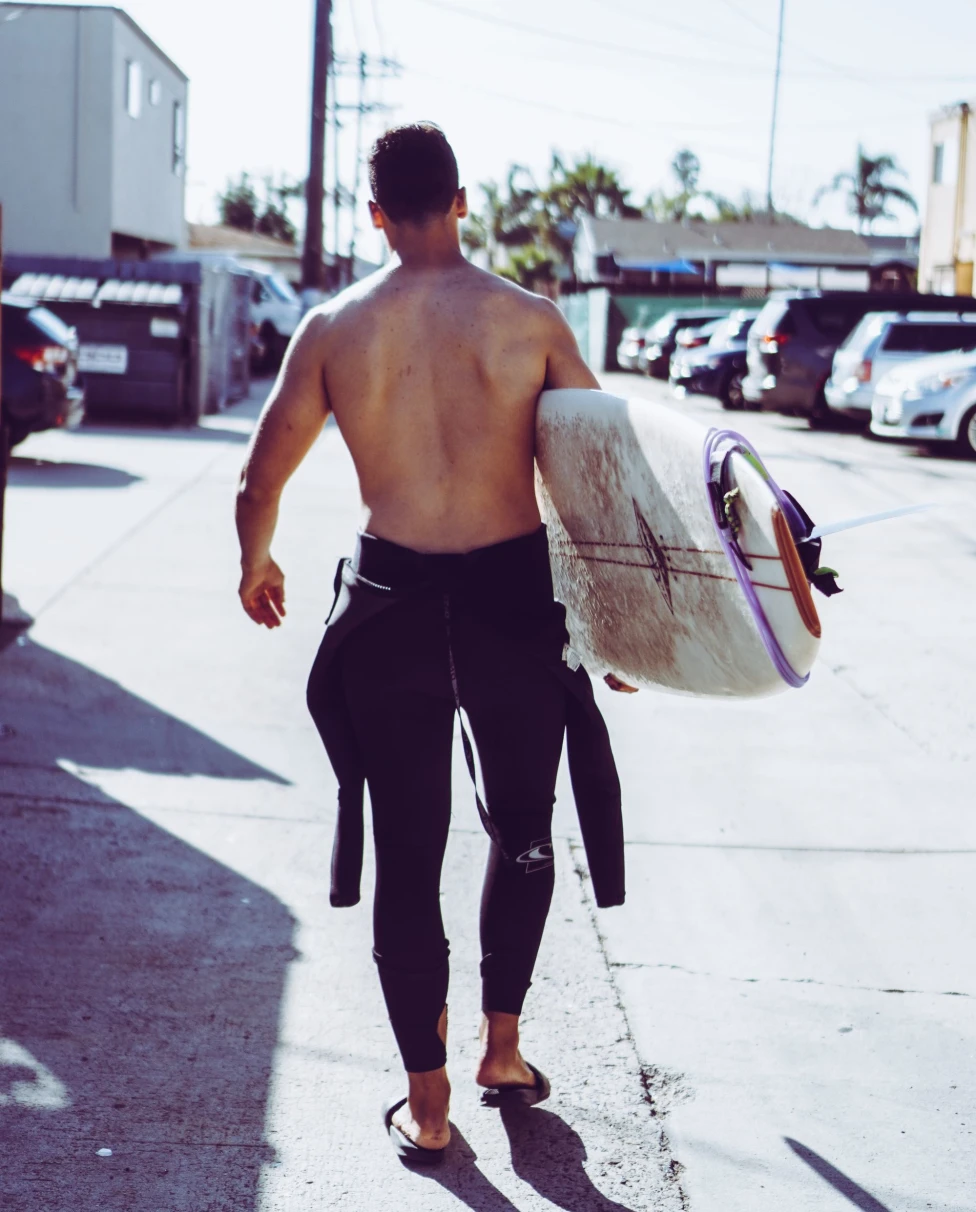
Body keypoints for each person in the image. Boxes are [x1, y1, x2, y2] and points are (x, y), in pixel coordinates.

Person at [235, 123, 624, 1165]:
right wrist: (621, 625)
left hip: (392, 608)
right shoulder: (532, 321)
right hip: (512, 606)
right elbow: (598, 486)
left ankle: (431, 1103)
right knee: (524, 831)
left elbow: (257, 480)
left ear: (373, 214)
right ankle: (503, 1048)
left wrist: (256, 564)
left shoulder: (332, 328)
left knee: (409, 857)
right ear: (463, 199)